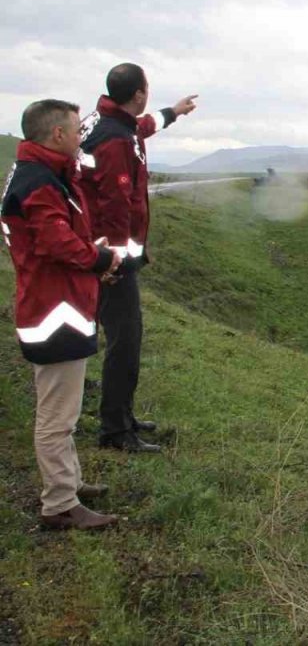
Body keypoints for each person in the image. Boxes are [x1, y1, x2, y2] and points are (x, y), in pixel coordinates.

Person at [2, 100, 122, 529]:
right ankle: (59, 505)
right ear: (56, 135)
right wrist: (100, 259)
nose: (80, 137)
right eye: (75, 131)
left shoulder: (42, 174)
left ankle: (68, 483)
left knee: (63, 408)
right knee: (57, 416)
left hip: (59, 303)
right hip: (56, 312)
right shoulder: (40, 184)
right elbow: (58, 244)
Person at [79, 63, 197, 453]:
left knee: (124, 338)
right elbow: (114, 208)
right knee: (125, 342)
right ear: (138, 94)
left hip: (104, 255)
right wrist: (115, 262)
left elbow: (140, 128)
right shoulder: (114, 141)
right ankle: (115, 431)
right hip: (111, 261)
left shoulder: (112, 122)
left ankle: (123, 416)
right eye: (147, 89)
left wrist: (172, 113)